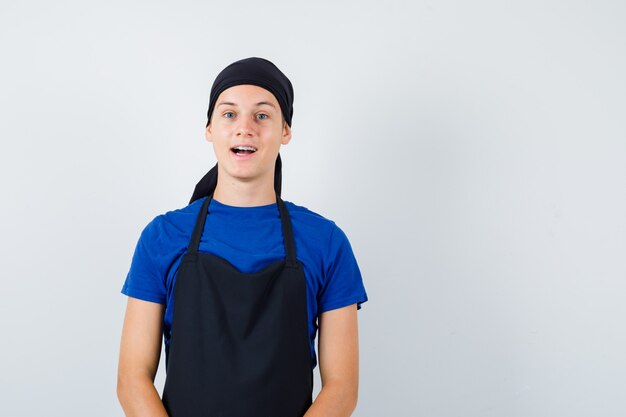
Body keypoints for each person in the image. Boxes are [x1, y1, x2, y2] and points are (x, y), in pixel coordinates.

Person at [117, 57, 368, 417]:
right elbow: (131, 379)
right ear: (209, 128)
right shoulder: (162, 236)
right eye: (229, 114)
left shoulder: (326, 242)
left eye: (262, 115)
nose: (244, 128)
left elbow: (342, 389)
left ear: (285, 131)